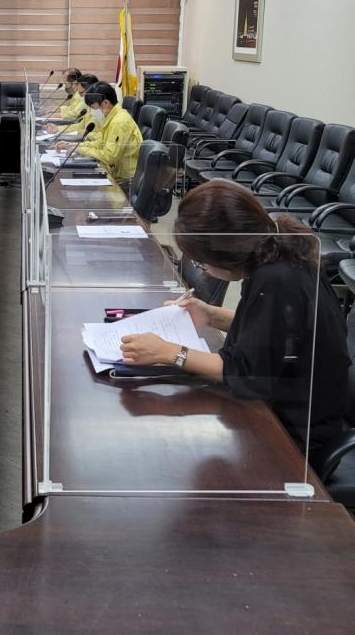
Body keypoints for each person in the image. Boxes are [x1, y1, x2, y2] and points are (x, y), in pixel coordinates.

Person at [120, 180, 350, 458]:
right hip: (287, 399)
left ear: (226, 254)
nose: (204, 269)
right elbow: (273, 331)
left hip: (294, 429)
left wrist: (169, 353)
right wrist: (211, 315)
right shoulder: (279, 253)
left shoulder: (274, 279)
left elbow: (244, 373)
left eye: (202, 262)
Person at [78, 81, 143, 182]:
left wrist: (82, 150)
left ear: (105, 103)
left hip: (126, 180)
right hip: (115, 172)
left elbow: (109, 156)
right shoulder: (112, 117)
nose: (92, 112)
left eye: (93, 108)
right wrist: (78, 147)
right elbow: (102, 142)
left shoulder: (118, 122)